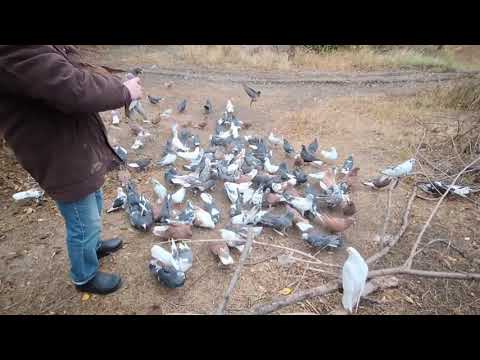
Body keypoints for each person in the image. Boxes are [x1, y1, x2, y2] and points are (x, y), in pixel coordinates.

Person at [0, 45, 144, 295]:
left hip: (69, 144)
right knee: (82, 221)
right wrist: (123, 92)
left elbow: (70, 67)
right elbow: (74, 88)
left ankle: (94, 245)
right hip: (56, 151)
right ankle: (84, 276)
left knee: (94, 199)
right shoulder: (13, 50)